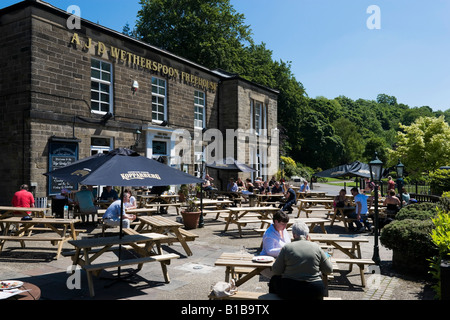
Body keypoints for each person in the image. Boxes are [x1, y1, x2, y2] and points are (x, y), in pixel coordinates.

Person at [269, 221, 333, 300]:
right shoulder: (316, 247)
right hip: (314, 290)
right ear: (307, 235)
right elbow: (329, 270)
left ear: (293, 234)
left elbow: (276, 271)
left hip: (290, 290)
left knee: (274, 280)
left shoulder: (287, 248)